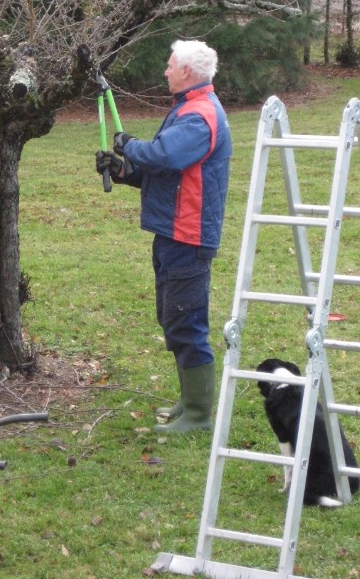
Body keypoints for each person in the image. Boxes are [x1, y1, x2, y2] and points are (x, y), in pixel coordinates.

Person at [96, 39, 232, 433]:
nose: (165, 71)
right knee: (172, 318)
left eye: (170, 65)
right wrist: (124, 171)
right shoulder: (187, 109)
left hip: (188, 237)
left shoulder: (199, 115)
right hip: (173, 231)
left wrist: (131, 146)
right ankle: (189, 401)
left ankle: (199, 416)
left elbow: (165, 155)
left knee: (186, 322)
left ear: (187, 71)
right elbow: (168, 174)